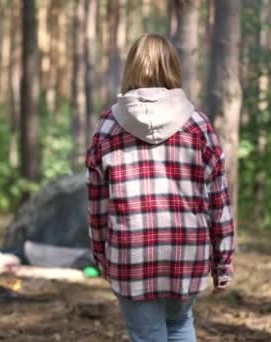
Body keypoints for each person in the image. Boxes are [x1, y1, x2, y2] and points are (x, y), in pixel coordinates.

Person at [85, 33, 235, 342]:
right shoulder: (198, 126)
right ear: (173, 68)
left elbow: (97, 206)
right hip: (187, 253)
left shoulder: (108, 127)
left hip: (131, 255)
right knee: (180, 326)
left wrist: (101, 257)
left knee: (148, 335)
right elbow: (218, 203)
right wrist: (223, 262)